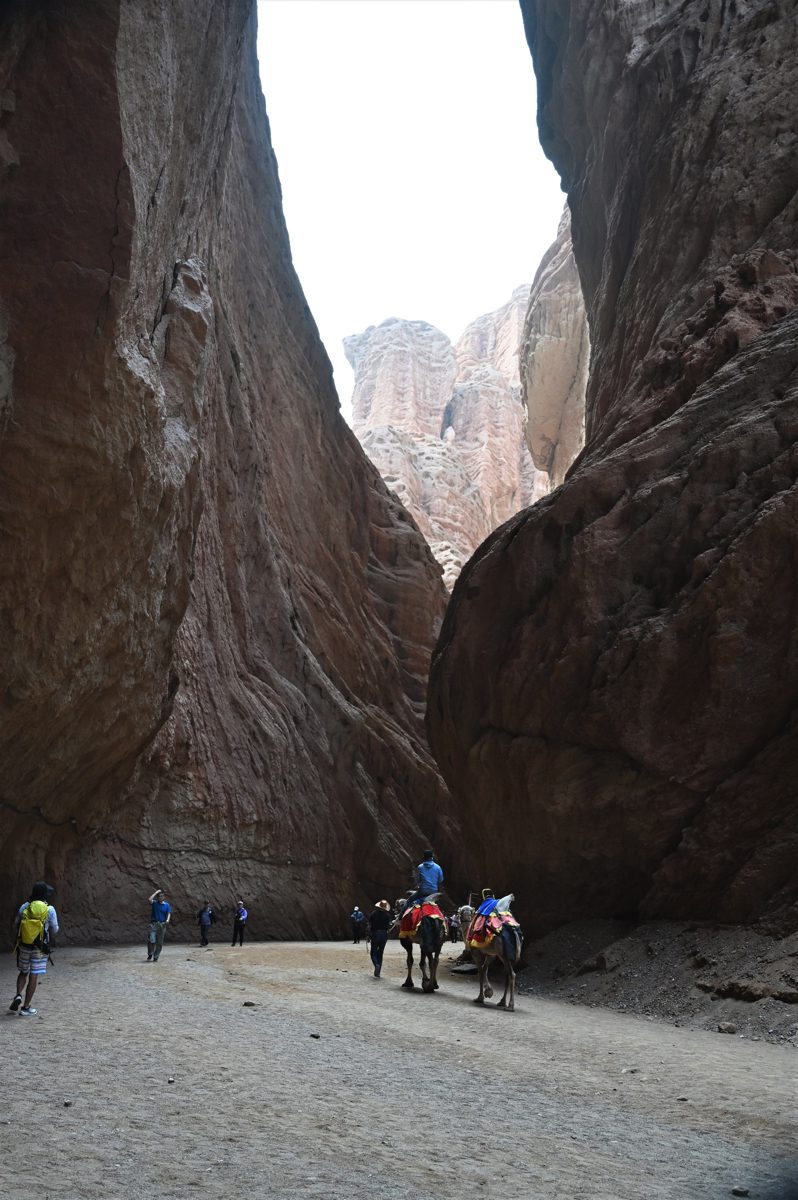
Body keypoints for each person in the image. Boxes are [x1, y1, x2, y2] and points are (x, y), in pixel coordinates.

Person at [9, 881, 59, 1016]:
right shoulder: (49, 909)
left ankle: (18, 995)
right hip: (39, 949)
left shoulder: (25, 906)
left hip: (24, 946)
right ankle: (26, 1008)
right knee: (34, 975)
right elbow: (55, 929)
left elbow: (16, 924)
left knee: (23, 972)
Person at [368, 900, 392, 978]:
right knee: (380, 953)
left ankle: (376, 965)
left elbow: (369, 926)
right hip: (384, 934)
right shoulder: (387, 915)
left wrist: (368, 936)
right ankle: (378, 972)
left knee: (373, 952)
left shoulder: (373, 914)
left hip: (375, 933)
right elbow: (389, 926)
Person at [147, 888, 172, 961]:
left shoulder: (166, 905)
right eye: (159, 896)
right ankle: (150, 953)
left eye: (162, 896)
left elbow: (169, 913)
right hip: (154, 924)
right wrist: (156, 892)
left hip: (162, 924)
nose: (160, 897)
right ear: (157, 897)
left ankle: (156, 956)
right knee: (152, 939)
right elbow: (149, 899)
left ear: (164, 897)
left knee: (160, 942)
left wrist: (167, 920)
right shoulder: (154, 903)